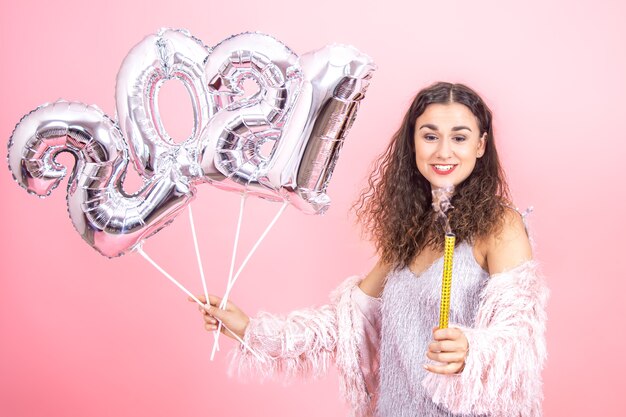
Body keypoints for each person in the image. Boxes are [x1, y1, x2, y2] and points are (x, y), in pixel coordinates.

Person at [192, 82, 548, 417]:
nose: (443, 151)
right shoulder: (412, 231)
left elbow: (520, 337)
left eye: (459, 137)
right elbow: (346, 322)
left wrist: (472, 349)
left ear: (480, 146)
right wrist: (249, 330)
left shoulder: (500, 225)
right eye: (429, 136)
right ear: (413, 143)